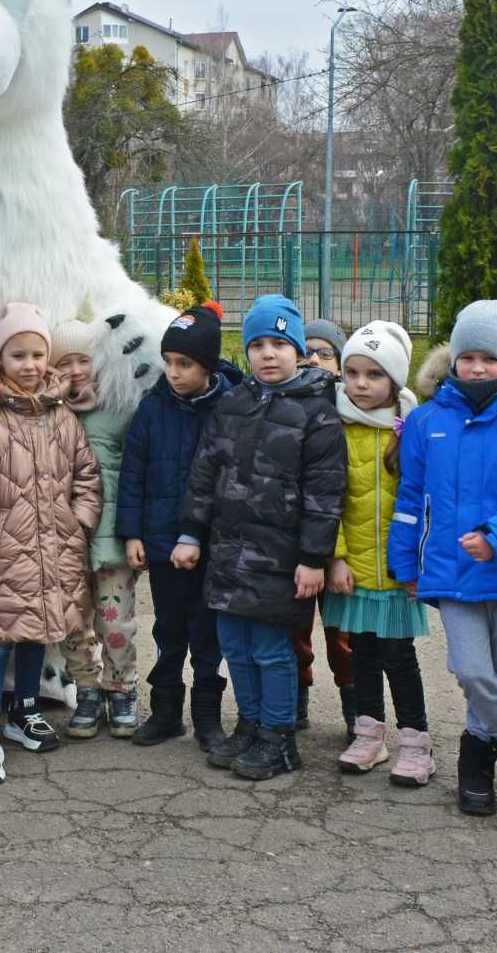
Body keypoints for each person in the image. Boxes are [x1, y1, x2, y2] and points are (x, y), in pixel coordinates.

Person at [388, 299, 497, 819]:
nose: (477, 368)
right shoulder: (426, 422)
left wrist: (496, 535)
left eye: (489, 358)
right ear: (453, 360)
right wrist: (406, 564)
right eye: (467, 357)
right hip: (449, 570)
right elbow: (411, 499)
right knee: (471, 669)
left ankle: (476, 767)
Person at [176, 294, 343, 781]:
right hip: (229, 552)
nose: (268, 354)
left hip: (281, 558)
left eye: (279, 343)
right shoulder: (233, 403)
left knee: (271, 649)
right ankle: (249, 725)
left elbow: (325, 494)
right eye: (258, 344)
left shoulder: (319, 412)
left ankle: (278, 736)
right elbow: (204, 472)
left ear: (298, 350)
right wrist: (191, 532)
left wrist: (314, 557)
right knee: (235, 645)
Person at [0, 303, 103, 785]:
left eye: (37, 354)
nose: (29, 365)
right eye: (17, 354)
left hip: (57, 543)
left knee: (37, 632)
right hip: (6, 546)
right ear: (0, 359)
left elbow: (86, 474)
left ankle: (24, 709)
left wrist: (78, 522)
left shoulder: (62, 415)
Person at [116, 301, 242, 750]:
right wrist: (132, 533)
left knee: (207, 633)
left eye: (184, 364)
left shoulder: (230, 409)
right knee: (168, 629)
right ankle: (166, 711)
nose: (173, 372)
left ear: (207, 365)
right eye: (169, 362)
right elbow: (133, 473)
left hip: (212, 547)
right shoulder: (153, 410)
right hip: (163, 541)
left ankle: (207, 716)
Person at [320, 322, 434, 786]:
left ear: (395, 381)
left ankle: (416, 742)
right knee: (360, 653)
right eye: (352, 373)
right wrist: (336, 556)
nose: (361, 384)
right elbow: (327, 499)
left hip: (397, 571)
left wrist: (416, 563)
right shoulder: (334, 426)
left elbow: (426, 501)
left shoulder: (413, 430)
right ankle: (368, 733)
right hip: (354, 569)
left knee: (399, 656)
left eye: (374, 374)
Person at [50, 316, 140, 740]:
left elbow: (137, 473)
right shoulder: (50, 411)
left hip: (112, 538)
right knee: (72, 622)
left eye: (82, 360)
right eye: (63, 362)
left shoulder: (119, 410)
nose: (74, 371)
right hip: (65, 540)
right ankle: (86, 689)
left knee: (115, 621)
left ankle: (121, 689)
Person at [299, 317, 358, 738]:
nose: (314, 359)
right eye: (307, 350)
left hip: (343, 545)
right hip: (296, 542)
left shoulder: (355, 412)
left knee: (344, 633)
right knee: (294, 629)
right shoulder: (287, 405)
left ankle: (356, 707)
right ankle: (295, 699)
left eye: (325, 352)